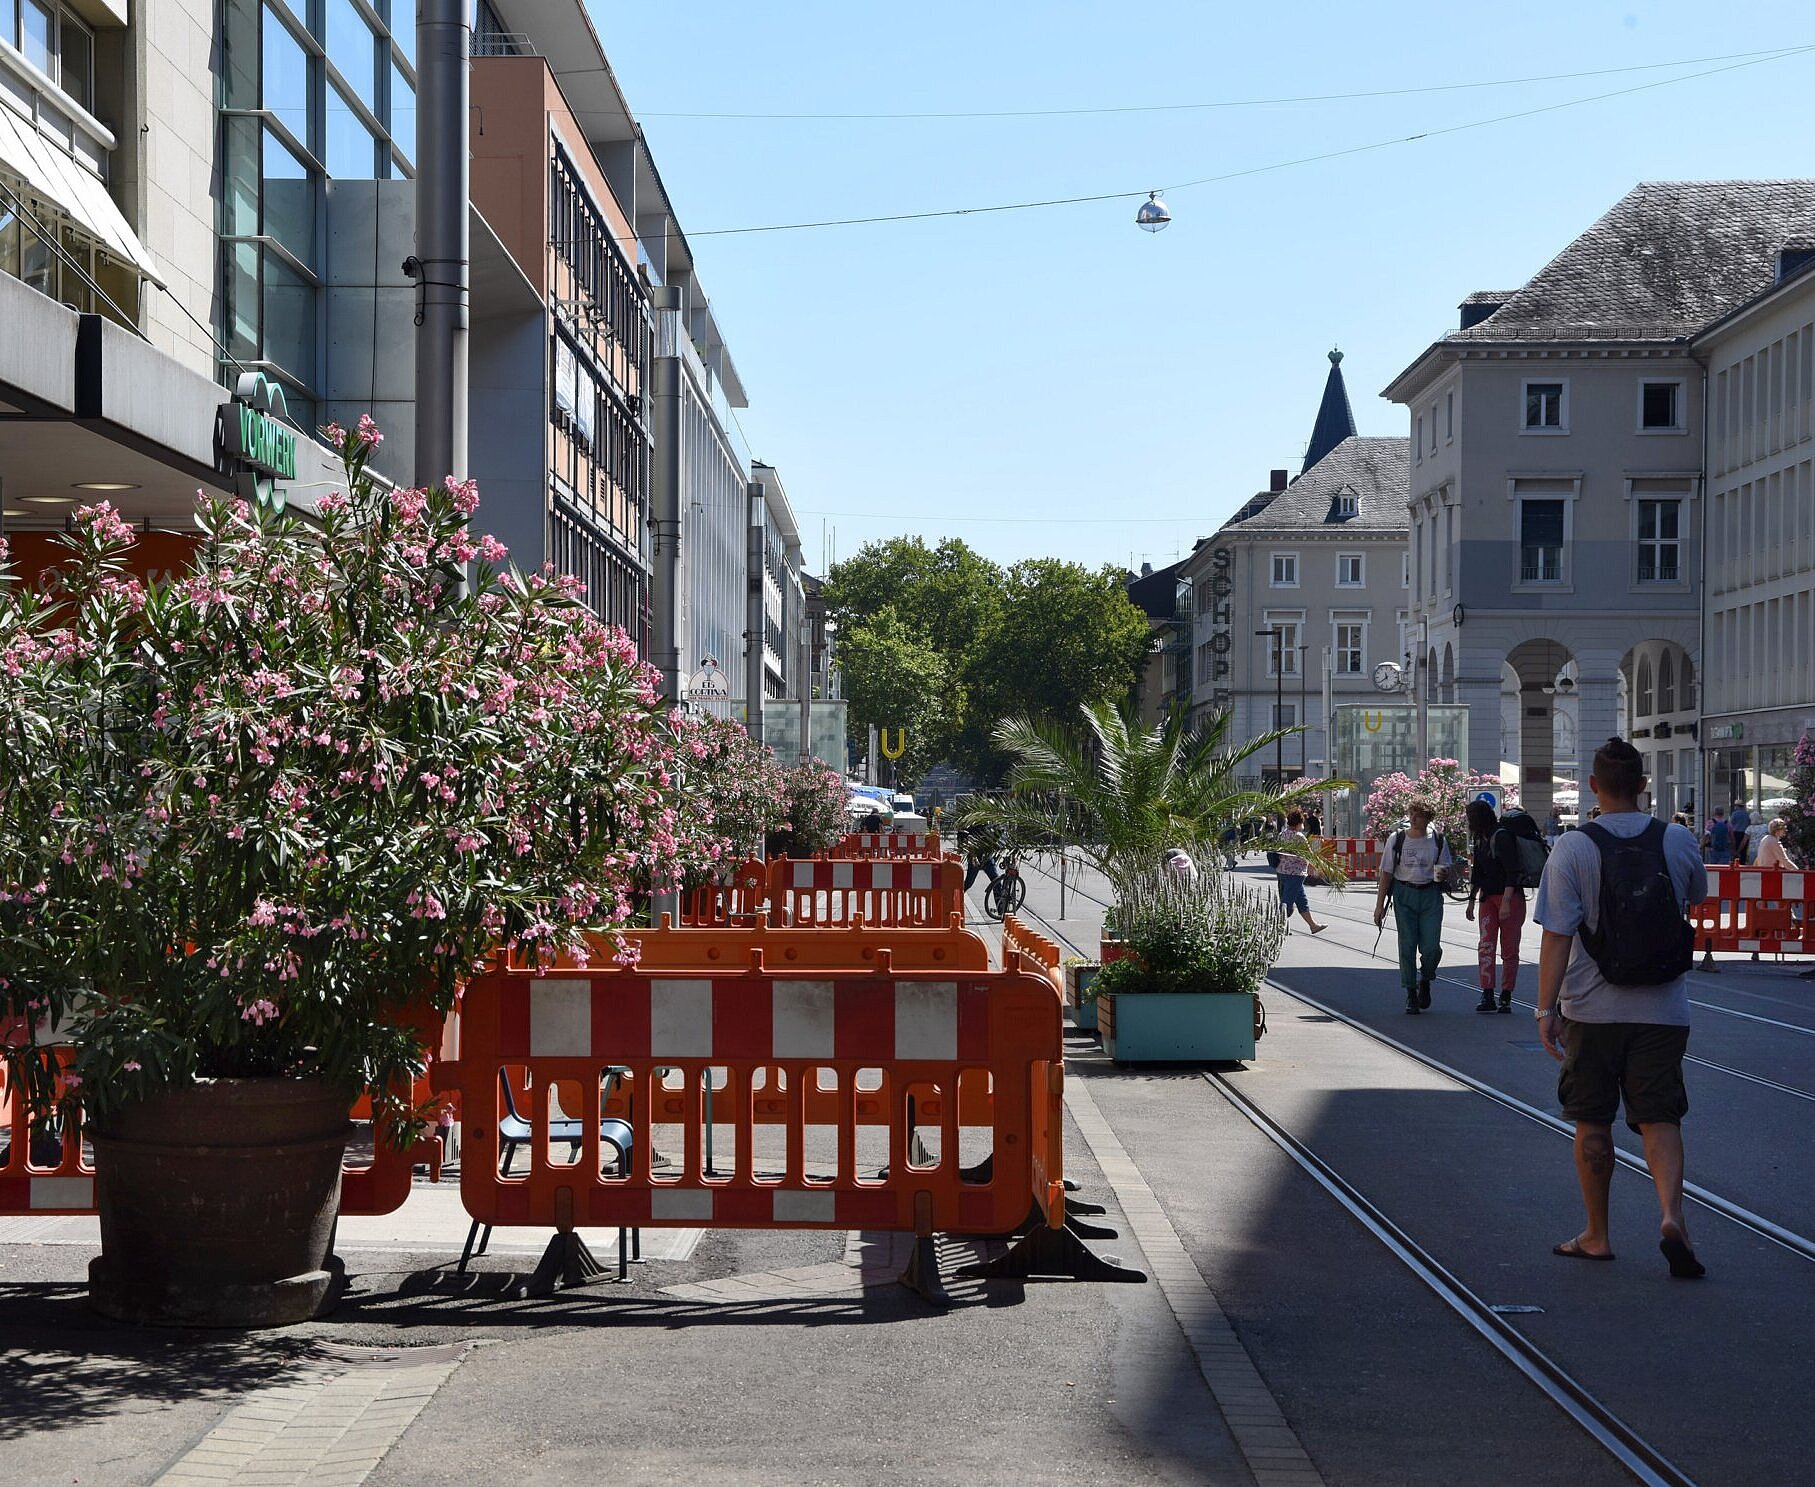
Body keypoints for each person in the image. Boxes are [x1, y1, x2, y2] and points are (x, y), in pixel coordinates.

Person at [1534, 737, 1707, 1279]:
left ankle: (1597, 1235)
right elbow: (1695, 896)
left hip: (1591, 1008)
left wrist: (1545, 1008)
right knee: (1660, 1116)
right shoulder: (1676, 839)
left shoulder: (1573, 847)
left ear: (1593, 787)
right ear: (1642, 787)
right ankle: (1671, 1216)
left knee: (1591, 1120)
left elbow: (1557, 936)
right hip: (1663, 1008)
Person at [1372, 796, 1453, 1014]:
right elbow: (1386, 873)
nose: (1414, 818)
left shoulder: (1437, 839)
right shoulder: (1396, 838)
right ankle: (1410, 991)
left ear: (1428, 818)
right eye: (1412, 814)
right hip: (1404, 893)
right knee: (1407, 944)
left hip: (1430, 894)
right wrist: (1379, 906)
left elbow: (1446, 866)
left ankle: (1425, 978)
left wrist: (1444, 872)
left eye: (1419, 815)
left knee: (1431, 948)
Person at [1463, 799, 1538, 1014]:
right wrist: (1471, 901)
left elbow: (1512, 872)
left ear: (1478, 819)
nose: (1469, 823)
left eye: (1470, 818)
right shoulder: (1481, 839)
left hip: (1510, 898)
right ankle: (1487, 993)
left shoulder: (1502, 836)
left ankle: (1506, 995)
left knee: (1509, 950)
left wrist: (1505, 903)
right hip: (1488, 899)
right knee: (1486, 946)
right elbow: (1477, 873)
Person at [1275, 811, 1326, 935]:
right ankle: (1276, 928)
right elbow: (1308, 853)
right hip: (1295, 874)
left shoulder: (1282, 834)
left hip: (1283, 872)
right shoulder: (1299, 836)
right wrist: (1314, 867)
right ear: (1298, 823)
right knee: (1286, 902)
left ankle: (1313, 925)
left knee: (1302, 901)